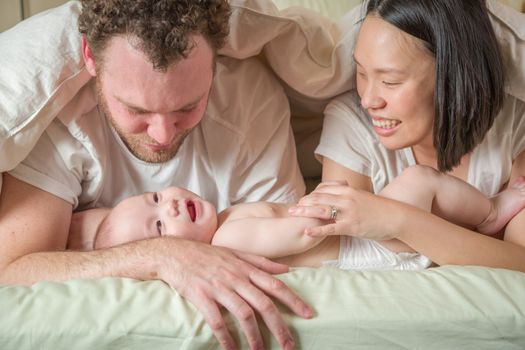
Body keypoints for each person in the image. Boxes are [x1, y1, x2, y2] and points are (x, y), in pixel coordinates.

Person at [0, 1, 311, 349]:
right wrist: (160, 255)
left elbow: (289, 250)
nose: (162, 135)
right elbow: (11, 270)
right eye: (136, 110)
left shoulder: (249, 103)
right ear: (90, 56)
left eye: (188, 107)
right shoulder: (58, 119)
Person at [289, 0, 525, 272]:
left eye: (390, 81)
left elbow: (519, 262)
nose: (368, 100)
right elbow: (345, 250)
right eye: (362, 73)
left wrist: (399, 221)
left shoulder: (515, 128)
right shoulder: (351, 122)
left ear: (452, 75)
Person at [67, 168, 525, 271]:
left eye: (153, 197)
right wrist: (327, 204)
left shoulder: (227, 215)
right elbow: (302, 233)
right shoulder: (228, 238)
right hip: (370, 247)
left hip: (366, 231)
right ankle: (489, 212)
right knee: (418, 180)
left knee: (418, 184)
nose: (167, 205)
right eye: (160, 227)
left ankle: (482, 217)